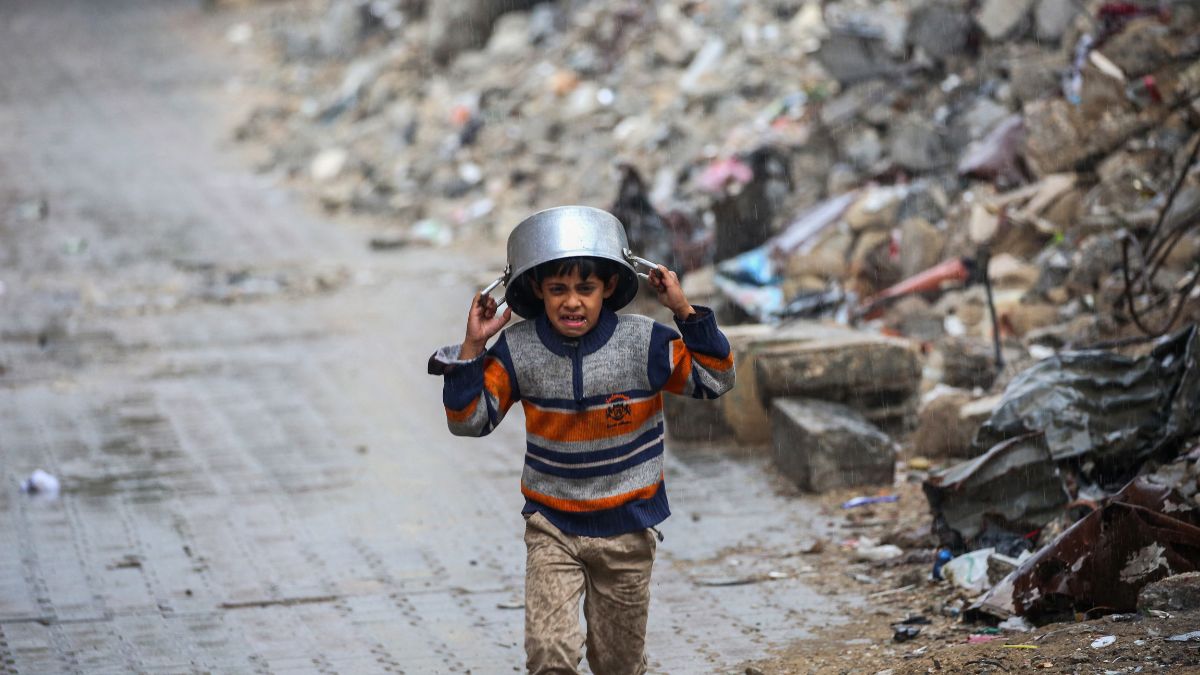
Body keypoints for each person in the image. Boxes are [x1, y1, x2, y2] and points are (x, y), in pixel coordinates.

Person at [431, 236, 735, 674]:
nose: (571, 303)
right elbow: (468, 420)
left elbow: (716, 379)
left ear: (609, 287)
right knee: (548, 653)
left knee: (617, 664)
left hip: (628, 529)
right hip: (553, 526)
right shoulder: (519, 350)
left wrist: (684, 310)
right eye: (557, 289)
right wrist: (472, 348)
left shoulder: (643, 342)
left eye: (585, 289)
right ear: (537, 289)